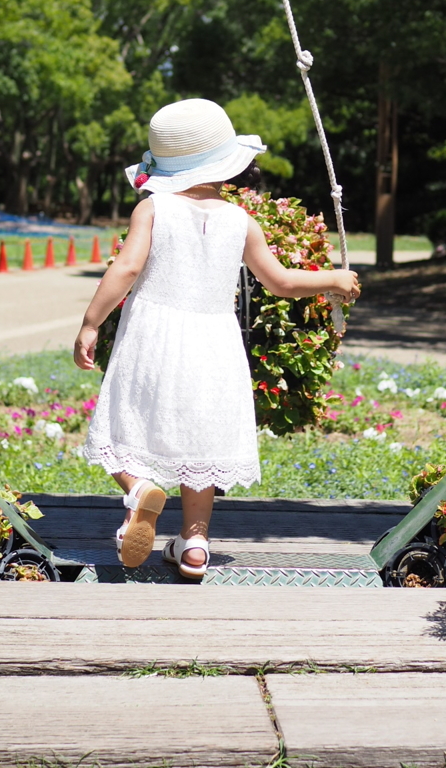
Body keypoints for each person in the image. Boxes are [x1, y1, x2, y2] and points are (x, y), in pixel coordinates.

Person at [73, 98, 361, 579]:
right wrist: (333, 279)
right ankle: (195, 545)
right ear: (225, 167)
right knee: (201, 446)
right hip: (214, 345)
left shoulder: (153, 208)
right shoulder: (239, 221)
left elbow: (126, 267)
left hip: (152, 337)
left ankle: (138, 490)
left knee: (124, 428)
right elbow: (281, 281)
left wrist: (90, 322)